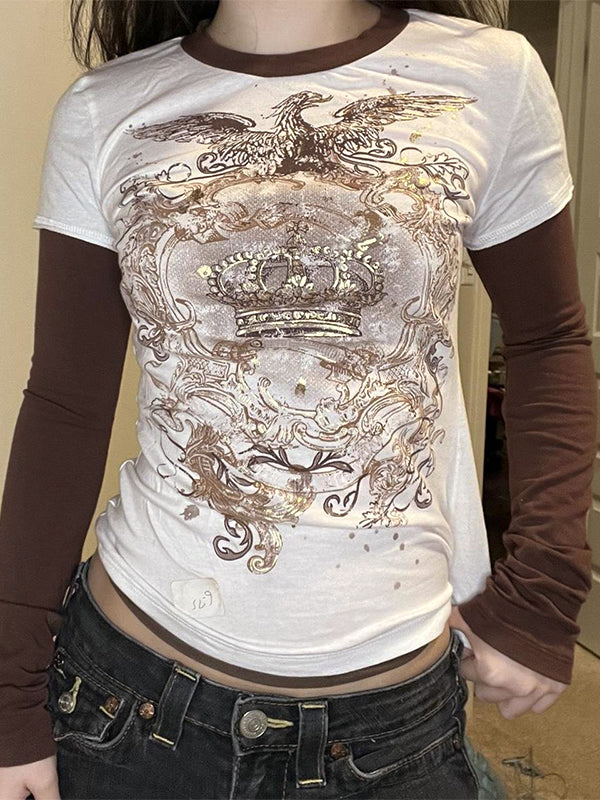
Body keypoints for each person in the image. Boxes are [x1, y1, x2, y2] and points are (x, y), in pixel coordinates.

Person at [0, 0, 596, 797]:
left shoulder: (491, 75)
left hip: (395, 722)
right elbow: (65, 407)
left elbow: (549, 338)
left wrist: (547, 586)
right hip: (132, 697)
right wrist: (8, 695)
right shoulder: (105, 109)